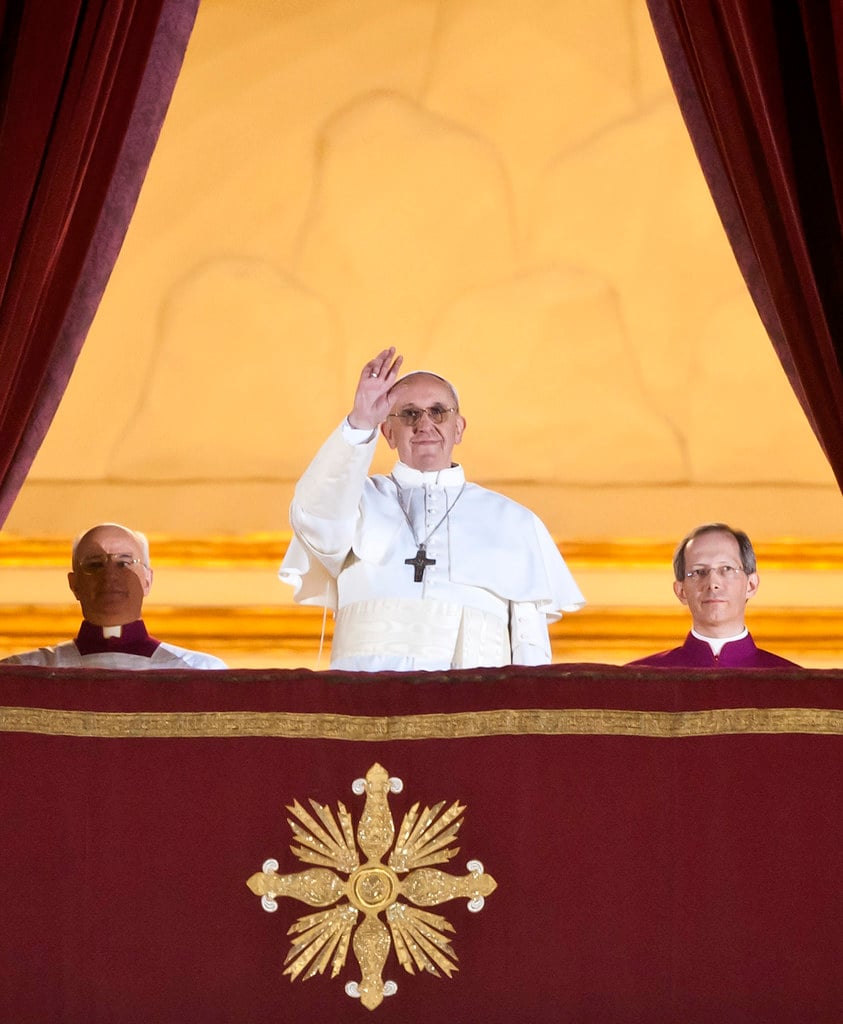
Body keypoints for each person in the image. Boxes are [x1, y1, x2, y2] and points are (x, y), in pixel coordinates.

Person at [280, 347, 585, 671]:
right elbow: (314, 517)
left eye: (438, 411)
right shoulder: (356, 502)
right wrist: (360, 422)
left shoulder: (514, 522)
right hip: (365, 707)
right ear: (388, 432)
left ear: (459, 428)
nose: (424, 424)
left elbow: (529, 645)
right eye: (409, 414)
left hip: (473, 711)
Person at [1, 522, 227, 669]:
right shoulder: (24, 673)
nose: (109, 575)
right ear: (74, 584)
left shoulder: (200, 672)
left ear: (148, 580)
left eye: (124, 563)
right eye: (95, 564)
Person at [627, 522, 798, 668]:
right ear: (681, 591)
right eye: (699, 571)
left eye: (727, 569)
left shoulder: (797, 685)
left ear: (751, 585)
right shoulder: (636, 681)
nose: (712, 584)